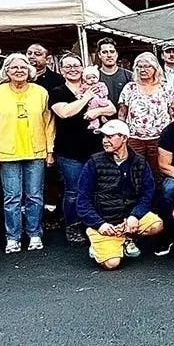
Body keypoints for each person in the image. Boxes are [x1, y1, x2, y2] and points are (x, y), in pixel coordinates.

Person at [0, 52, 56, 253]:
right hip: (7, 154)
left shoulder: (40, 92)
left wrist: (50, 150)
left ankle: (34, 234)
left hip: (36, 152)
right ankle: (13, 237)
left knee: (35, 196)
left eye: (23, 67)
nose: (19, 71)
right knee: (12, 198)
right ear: (6, 71)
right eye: (14, 67)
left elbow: (49, 123)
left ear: (30, 71)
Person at [75, 120, 164, 271]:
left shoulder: (140, 162)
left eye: (110, 136)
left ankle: (125, 238)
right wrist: (99, 224)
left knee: (157, 225)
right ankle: (98, 239)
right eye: (103, 137)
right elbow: (82, 200)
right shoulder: (93, 163)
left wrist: (134, 216)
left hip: (128, 217)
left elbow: (147, 194)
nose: (105, 140)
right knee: (112, 264)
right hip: (103, 220)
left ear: (124, 138)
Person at [49, 54, 114, 246]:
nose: (72, 69)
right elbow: (65, 112)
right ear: (61, 70)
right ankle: (73, 226)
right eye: (67, 66)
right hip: (69, 150)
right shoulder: (57, 91)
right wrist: (87, 98)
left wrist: (97, 111)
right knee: (73, 191)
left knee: (96, 189)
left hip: (95, 148)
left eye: (76, 66)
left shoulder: (95, 86)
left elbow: (111, 109)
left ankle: (93, 224)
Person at [117, 52, 174, 183]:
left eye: (147, 66)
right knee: (136, 172)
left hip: (160, 139)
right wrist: (121, 135)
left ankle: (157, 202)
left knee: (157, 172)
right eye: (139, 66)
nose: (143, 70)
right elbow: (122, 114)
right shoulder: (130, 88)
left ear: (155, 68)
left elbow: (172, 113)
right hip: (134, 139)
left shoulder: (165, 88)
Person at [94, 37, 133, 103]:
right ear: (99, 55)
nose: (109, 55)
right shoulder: (94, 76)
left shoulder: (129, 75)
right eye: (104, 52)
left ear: (116, 54)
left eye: (112, 52)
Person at [79, 66, 112, 130]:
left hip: (101, 100)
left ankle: (99, 119)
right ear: (85, 79)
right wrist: (80, 95)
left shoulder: (100, 84)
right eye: (89, 78)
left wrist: (100, 95)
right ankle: (95, 123)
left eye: (94, 77)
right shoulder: (85, 86)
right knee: (92, 108)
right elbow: (80, 91)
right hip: (91, 102)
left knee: (92, 109)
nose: (92, 79)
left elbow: (105, 91)